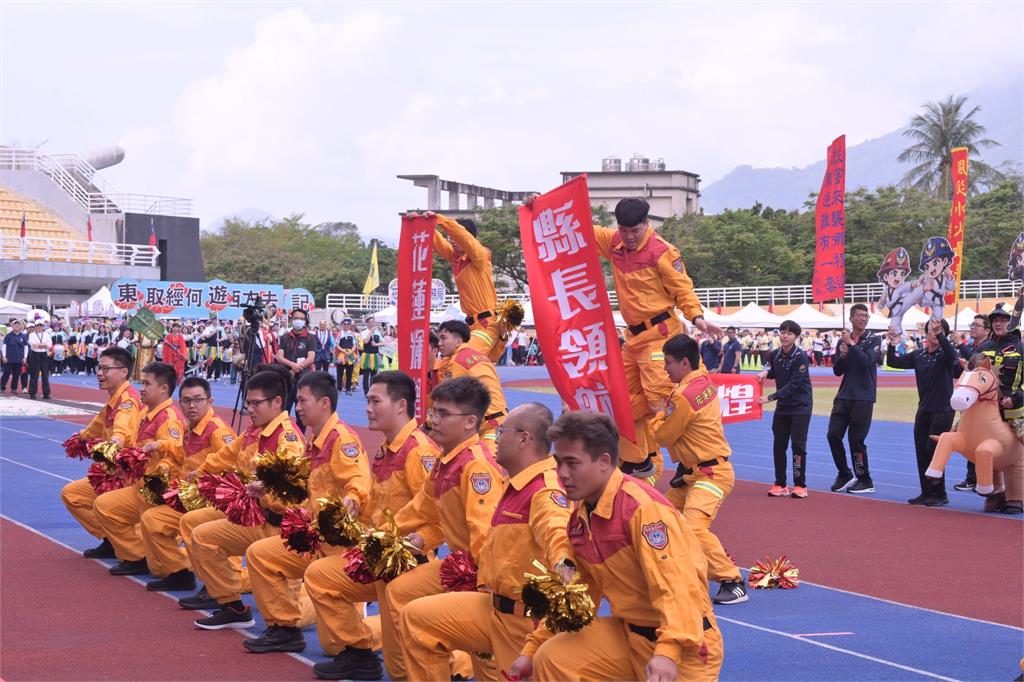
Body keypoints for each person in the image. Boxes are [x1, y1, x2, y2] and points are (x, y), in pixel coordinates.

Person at [518, 411, 723, 682]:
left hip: (685, 645)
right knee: (554, 657)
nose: (562, 474)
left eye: (572, 463)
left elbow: (677, 586)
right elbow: (578, 595)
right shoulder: (581, 516)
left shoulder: (642, 510)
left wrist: (667, 652)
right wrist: (532, 650)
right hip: (629, 636)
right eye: (558, 463)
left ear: (604, 461)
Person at [399, 402, 572, 681]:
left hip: (522, 622)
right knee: (417, 620)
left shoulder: (544, 490)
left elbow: (557, 531)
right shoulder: (515, 483)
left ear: (524, 439)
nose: (494, 437)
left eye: (502, 431)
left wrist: (564, 565)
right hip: (491, 606)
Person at [305, 370, 436, 680]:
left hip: (404, 565)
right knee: (321, 577)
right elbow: (377, 505)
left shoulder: (419, 451)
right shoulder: (385, 449)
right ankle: (359, 653)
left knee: (403, 666)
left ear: (401, 405)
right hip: (376, 558)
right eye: (367, 401)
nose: (367, 408)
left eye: (375, 401)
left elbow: (436, 516)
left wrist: (413, 542)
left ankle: (462, 662)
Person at [382, 376, 504, 680]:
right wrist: (380, 537)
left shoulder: (477, 466)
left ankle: (461, 663)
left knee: (488, 656)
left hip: (482, 572)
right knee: (399, 592)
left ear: (470, 422)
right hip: (459, 563)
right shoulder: (445, 460)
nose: (432, 420)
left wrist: (480, 585)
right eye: (433, 411)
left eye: (443, 414)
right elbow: (420, 509)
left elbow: (484, 533)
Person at [243, 371, 372, 653]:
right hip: (315, 538)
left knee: (334, 646)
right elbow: (304, 485)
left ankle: (364, 624)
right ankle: (284, 629)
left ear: (324, 403)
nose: (297, 407)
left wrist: (353, 499)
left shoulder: (342, 440)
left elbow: (359, 478)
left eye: (302, 401)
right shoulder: (314, 440)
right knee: (261, 555)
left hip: (339, 546)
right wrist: (268, 487)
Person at [181, 369, 304, 629]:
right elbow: (227, 454)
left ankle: (301, 619)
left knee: (304, 612)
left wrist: (267, 486)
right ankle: (232, 606)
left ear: (277, 402)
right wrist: (200, 473)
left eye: (255, 403)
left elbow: (290, 477)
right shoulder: (254, 430)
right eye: (247, 402)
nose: (249, 408)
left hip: (279, 525)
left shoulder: (287, 437)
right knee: (202, 534)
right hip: (255, 518)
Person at [651, 334, 747, 605]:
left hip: (710, 474)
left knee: (693, 527)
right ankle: (680, 573)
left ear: (684, 363)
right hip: (695, 473)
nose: (664, 369)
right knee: (661, 519)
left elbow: (662, 436)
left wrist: (657, 414)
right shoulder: (702, 378)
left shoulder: (682, 396)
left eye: (668, 363)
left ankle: (732, 580)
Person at [139, 376, 236, 591]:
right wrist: (161, 448)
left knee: (194, 526)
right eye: (186, 401)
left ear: (210, 401)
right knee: (152, 520)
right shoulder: (189, 428)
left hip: (213, 504)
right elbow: (180, 450)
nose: (192, 405)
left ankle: (221, 583)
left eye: (198, 400)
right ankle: (179, 573)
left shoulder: (217, 431)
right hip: (190, 498)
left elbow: (233, 468)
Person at [93, 362, 185, 575]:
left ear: (163, 388)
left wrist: (159, 477)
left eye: (146, 383)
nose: (140, 388)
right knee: (105, 506)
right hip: (140, 486)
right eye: (141, 382)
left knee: (161, 566)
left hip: (157, 491)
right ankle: (137, 555)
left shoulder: (168, 418)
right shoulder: (148, 413)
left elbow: (175, 455)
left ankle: (182, 570)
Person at [60, 347, 144, 559]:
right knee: (72, 495)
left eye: (106, 369)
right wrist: (80, 438)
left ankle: (137, 552)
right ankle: (111, 539)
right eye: (99, 368)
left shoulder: (127, 400)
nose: (99, 373)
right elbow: (97, 425)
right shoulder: (114, 399)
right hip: (111, 471)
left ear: (123, 372)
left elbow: (123, 427)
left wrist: (116, 440)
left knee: (104, 504)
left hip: (128, 474)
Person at [886, 319, 959, 506]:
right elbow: (894, 362)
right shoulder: (919, 355)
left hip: (943, 409)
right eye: (931, 330)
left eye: (938, 331)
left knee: (933, 451)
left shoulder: (945, 355)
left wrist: (942, 336)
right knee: (921, 451)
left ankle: (940, 493)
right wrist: (892, 344)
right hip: (924, 409)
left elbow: (953, 358)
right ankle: (926, 491)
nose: (933, 333)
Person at [427, 213, 505, 362]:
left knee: (462, 359)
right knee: (448, 362)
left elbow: (465, 239)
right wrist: (424, 222)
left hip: (487, 324)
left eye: (454, 238)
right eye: (451, 239)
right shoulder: (457, 258)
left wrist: (440, 220)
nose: (451, 241)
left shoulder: (480, 255)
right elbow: (437, 242)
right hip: (471, 325)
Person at [827, 304, 881, 494]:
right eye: (859, 315)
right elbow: (837, 370)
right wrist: (842, 355)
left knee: (856, 440)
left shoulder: (874, 339)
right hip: (844, 395)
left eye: (865, 316)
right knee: (833, 435)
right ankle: (844, 472)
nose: (863, 319)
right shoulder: (843, 340)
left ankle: (864, 479)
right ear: (851, 318)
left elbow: (868, 362)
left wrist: (851, 344)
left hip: (863, 397)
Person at [757, 320, 814, 498]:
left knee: (798, 446)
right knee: (778, 445)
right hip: (783, 408)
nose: (784, 336)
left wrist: (770, 397)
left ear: (796, 337)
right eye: (782, 332)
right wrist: (766, 373)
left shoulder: (801, 356)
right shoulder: (775, 354)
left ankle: (800, 485)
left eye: (789, 333)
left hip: (800, 407)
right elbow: (774, 370)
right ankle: (780, 483)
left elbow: (794, 384)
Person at [436, 320, 508, 440]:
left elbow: (448, 399)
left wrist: (429, 423)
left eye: (443, 338)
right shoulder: (481, 356)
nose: (439, 343)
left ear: (458, 341)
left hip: (488, 425)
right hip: (498, 419)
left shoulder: (457, 362)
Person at [951, 314, 992, 491]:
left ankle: (977, 478)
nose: (972, 327)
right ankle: (972, 476)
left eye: (977, 325)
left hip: (984, 402)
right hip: (969, 400)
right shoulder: (969, 347)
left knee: (982, 440)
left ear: (987, 330)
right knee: (970, 437)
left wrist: (959, 343)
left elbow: (979, 364)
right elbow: (957, 371)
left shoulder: (989, 347)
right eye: (972, 324)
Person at [977, 304, 1024, 442]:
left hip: (1015, 414)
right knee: (959, 433)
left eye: (1003, 320)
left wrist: (1015, 397)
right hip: (984, 411)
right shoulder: (983, 347)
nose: (998, 324)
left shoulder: (1021, 348)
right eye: (995, 320)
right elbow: (971, 374)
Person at [276, 308, 318, 431]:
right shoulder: (285, 337)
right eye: (295, 318)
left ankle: (300, 439)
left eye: (301, 318)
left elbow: (311, 358)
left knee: (302, 413)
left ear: (305, 321)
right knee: (283, 411)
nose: (298, 320)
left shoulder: (310, 338)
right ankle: (282, 436)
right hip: (286, 379)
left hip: (303, 380)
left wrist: (298, 368)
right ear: (291, 320)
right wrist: (292, 365)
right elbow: (279, 356)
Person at [26, 320, 53, 399]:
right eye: (37, 326)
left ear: (43, 327)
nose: (39, 327)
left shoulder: (46, 334)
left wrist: (41, 345)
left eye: (40, 326)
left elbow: (49, 345)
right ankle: (32, 393)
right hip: (35, 355)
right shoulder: (32, 335)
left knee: (45, 374)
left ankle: (46, 393)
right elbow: (33, 345)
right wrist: (43, 345)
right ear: (35, 327)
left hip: (44, 355)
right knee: (34, 375)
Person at [335, 318, 360, 394]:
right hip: (341, 355)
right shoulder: (339, 334)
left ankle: (348, 389)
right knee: (340, 373)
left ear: (350, 325)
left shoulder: (352, 334)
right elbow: (337, 344)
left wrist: (351, 352)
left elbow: (355, 345)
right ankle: (339, 389)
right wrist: (343, 351)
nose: (346, 325)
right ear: (342, 325)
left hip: (350, 354)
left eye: (347, 324)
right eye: (344, 324)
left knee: (350, 373)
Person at [1, 320, 27, 393]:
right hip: (9, 358)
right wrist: (4, 356)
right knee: (6, 373)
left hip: (19, 359)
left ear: (20, 326)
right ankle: (2, 387)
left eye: (18, 325)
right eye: (15, 325)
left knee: (16, 374)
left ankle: (14, 388)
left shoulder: (23, 336)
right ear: (12, 326)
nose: (17, 326)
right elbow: (4, 346)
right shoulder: (8, 336)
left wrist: (25, 357)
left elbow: (26, 347)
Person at [360, 316, 384, 395]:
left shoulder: (378, 333)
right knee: (366, 375)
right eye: (370, 322)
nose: (372, 324)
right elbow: (366, 341)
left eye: (373, 322)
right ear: (367, 323)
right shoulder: (364, 332)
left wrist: (376, 344)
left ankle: (372, 390)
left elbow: (383, 343)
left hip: (375, 355)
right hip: (366, 355)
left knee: (374, 375)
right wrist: (370, 332)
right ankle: (366, 391)